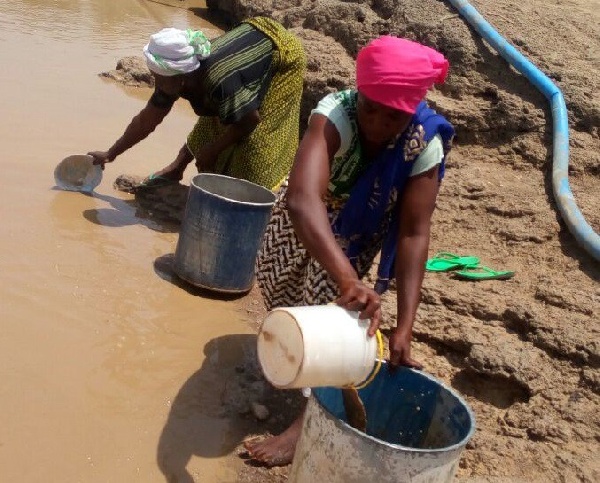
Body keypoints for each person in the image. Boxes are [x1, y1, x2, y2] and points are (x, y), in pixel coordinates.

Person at [245, 36, 455, 466]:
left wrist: (405, 325)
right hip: (307, 212)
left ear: (411, 109)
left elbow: (415, 233)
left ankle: (310, 415)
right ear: (359, 94)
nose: (377, 123)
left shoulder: (423, 141)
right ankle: (301, 361)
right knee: (278, 281)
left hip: (358, 230)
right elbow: (303, 199)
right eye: (369, 107)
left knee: (336, 311)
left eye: (392, 115)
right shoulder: (335, 112)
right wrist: (347, 276)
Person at [89, 17, 306, 191]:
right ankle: (176, 169)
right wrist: (111, 153)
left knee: (257, 141)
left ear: (181, 77)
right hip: (251, 34)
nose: (158, 84)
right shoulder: (176, 76)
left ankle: (258, 200)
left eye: (161, 79)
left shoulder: (220, 80)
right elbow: (147, 120)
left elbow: (249, 121)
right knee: (215, 115)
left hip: (282, 54)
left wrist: (211, 151)